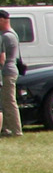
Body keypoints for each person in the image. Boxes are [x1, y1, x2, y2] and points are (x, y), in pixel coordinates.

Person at [0, 10, 21, 138]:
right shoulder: (11, 34)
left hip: (7, 72)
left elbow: (2, 58)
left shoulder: (7, 36)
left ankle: (17, 131)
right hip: (10, 70)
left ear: (2, 20)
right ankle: (7, 129)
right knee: (5, 101)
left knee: (9, 102)